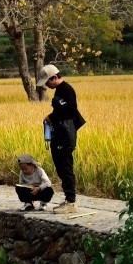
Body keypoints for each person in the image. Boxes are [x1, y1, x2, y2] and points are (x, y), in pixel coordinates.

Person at [36, 64, 85, 212]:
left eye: (47, 82)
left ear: (54, 77)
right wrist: (51, 117)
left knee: (66, 167)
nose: (46, 86)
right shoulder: (59, 90)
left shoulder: (67, 90)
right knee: (60, 167)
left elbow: (71, 111)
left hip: (66, 136)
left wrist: (54, 112)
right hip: (59, 135)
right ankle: (68, 199)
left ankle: (71, 202)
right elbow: (61, 111)